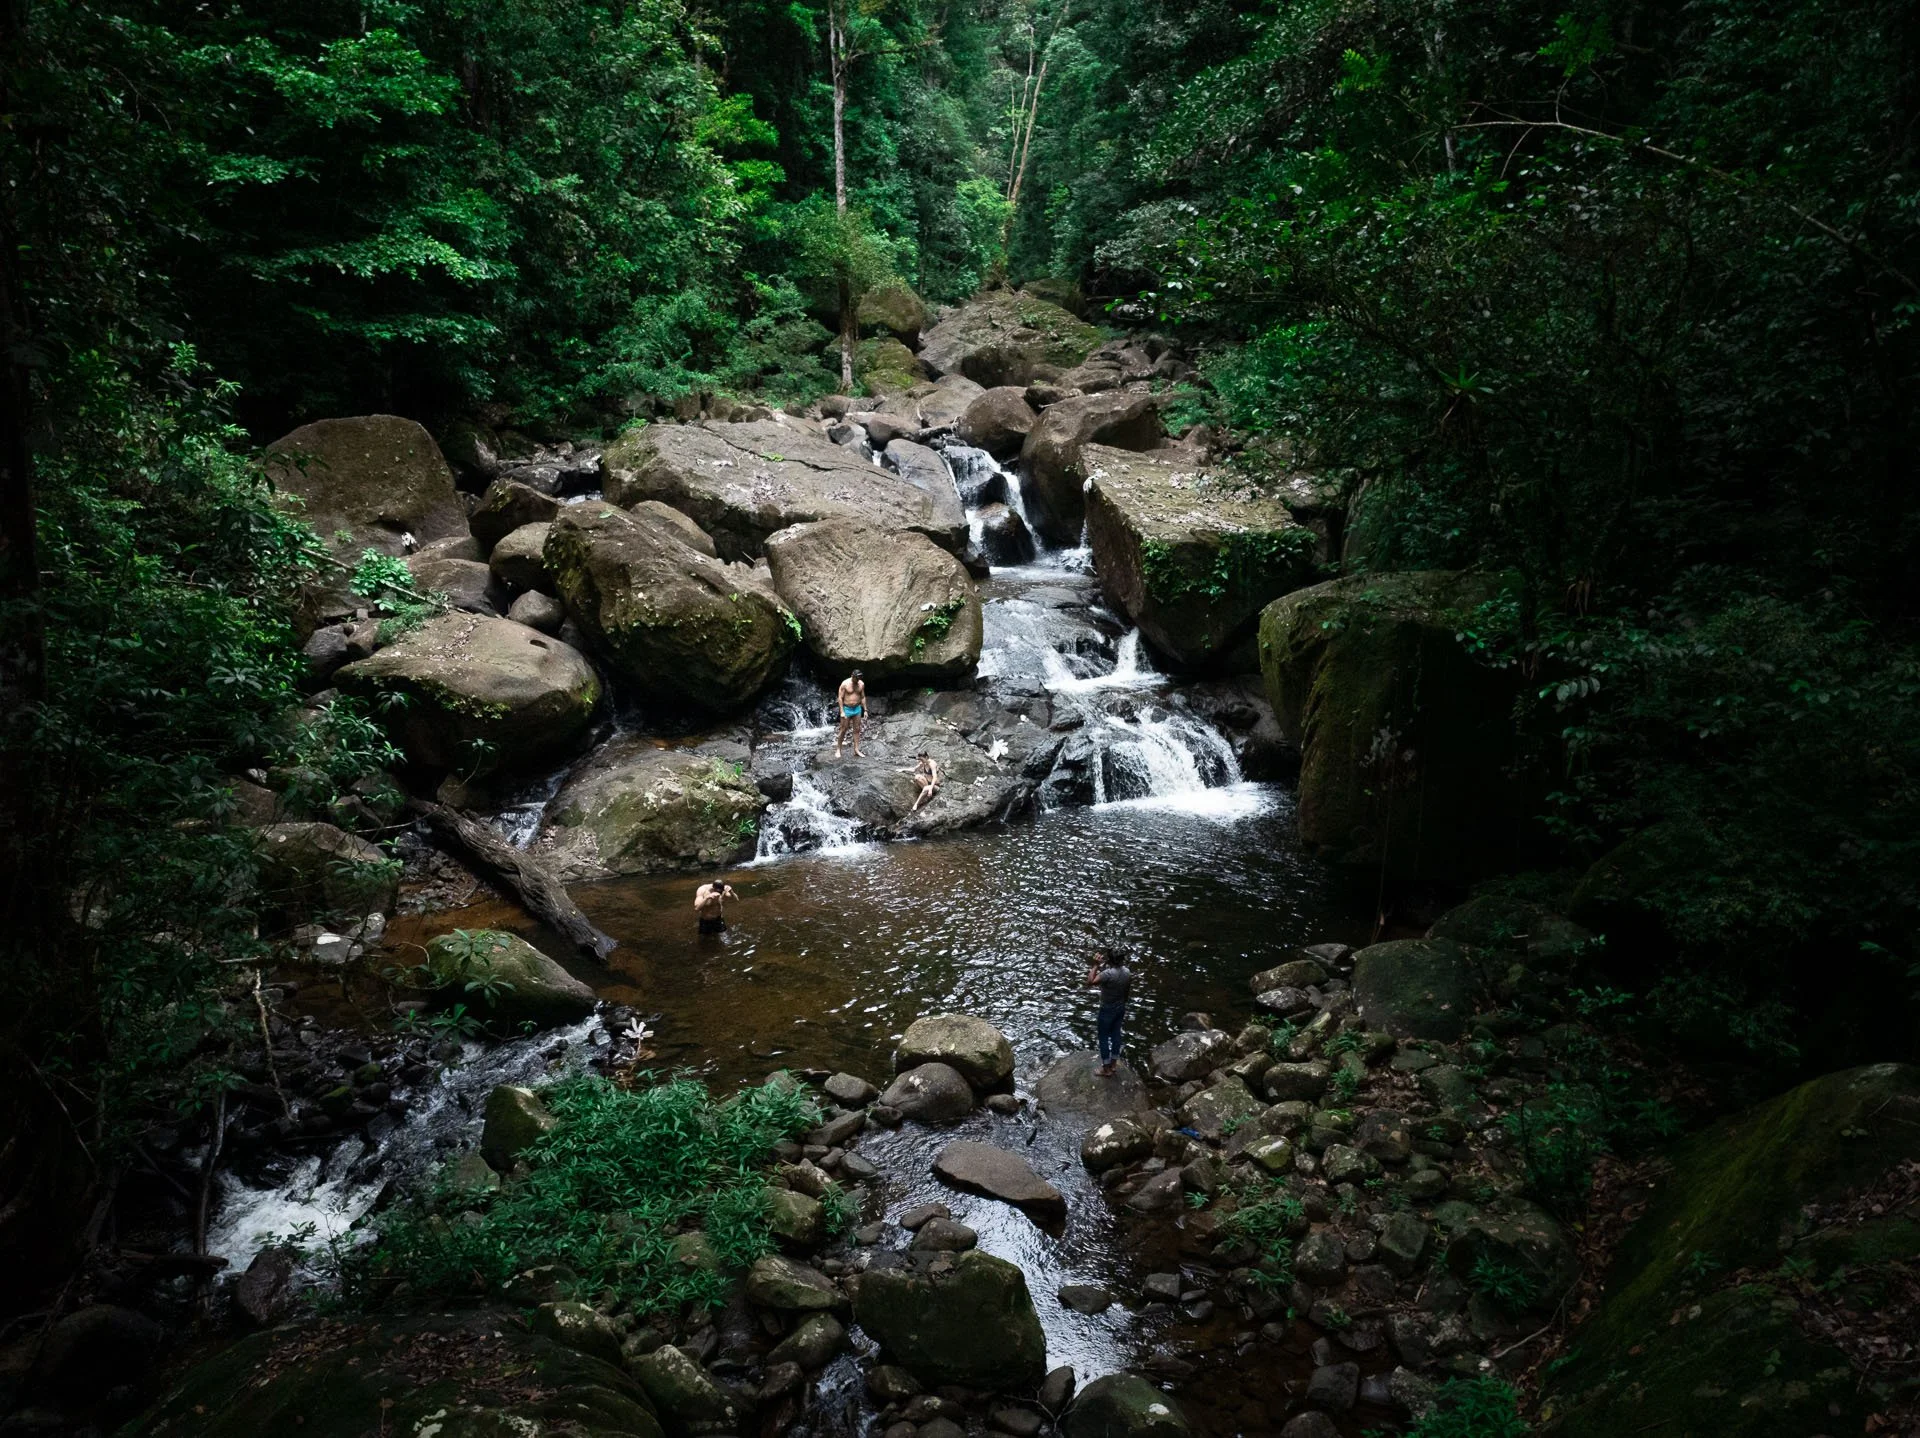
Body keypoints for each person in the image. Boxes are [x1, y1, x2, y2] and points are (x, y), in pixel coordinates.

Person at [1086, 947, 1132, 1077]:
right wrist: (1124, 1003)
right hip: (1120, 1007)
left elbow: (1090, 982)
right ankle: (1113, 1064)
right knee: (1116, 1034)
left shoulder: (1108, 974)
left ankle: (1106, 1069)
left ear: (1110, 960)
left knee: (1103, 1037)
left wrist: (1095, 965)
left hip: (1107, 1009)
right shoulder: (1127, 972)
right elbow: (1127, 991)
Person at [834, 670, 867, 759]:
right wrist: (842, 711)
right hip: (847, 708)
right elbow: (840, 698)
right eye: (857, 677)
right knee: (843, 729)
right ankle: (838, 749)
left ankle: (856, 750)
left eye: (859, 677)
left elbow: (863, 697)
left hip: (857, 709)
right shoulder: (845, 684)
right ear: (852, 676)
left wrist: (865, 710)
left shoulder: (861, 684)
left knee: (857, 729)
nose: (858, 679)